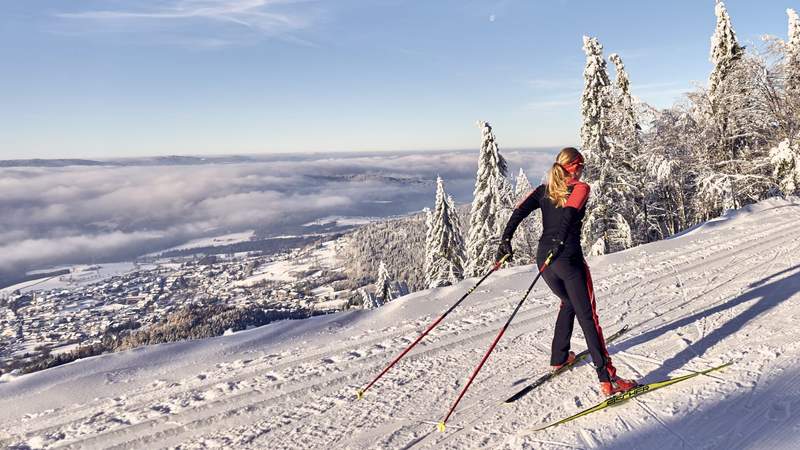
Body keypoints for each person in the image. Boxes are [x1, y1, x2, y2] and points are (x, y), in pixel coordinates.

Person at [495, 147, 637, 396]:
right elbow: (569, 216)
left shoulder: (543, 190)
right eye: (582, 167)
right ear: (576, 167)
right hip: (567, 259)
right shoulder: (581, 188)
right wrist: (560, 243)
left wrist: (505, 241)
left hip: (545, 261)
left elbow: (518, 212)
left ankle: (560, 356)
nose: (584, 172)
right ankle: (608, 379)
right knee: (588, 318)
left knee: (568, 302)